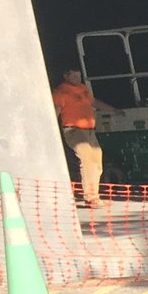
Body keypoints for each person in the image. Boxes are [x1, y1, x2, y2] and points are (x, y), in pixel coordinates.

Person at [52, 67, 103, 210]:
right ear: (66, 76)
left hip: (89, 130)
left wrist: (113, 110)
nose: (77, 79)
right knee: (87, 160)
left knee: (97, 160)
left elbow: (93, 102)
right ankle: (91, 197)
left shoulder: (83, 88)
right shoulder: (61, 92)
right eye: (73, 76)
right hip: (74, 130)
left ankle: (94, 194)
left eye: (78, 76)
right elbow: (56, 111)